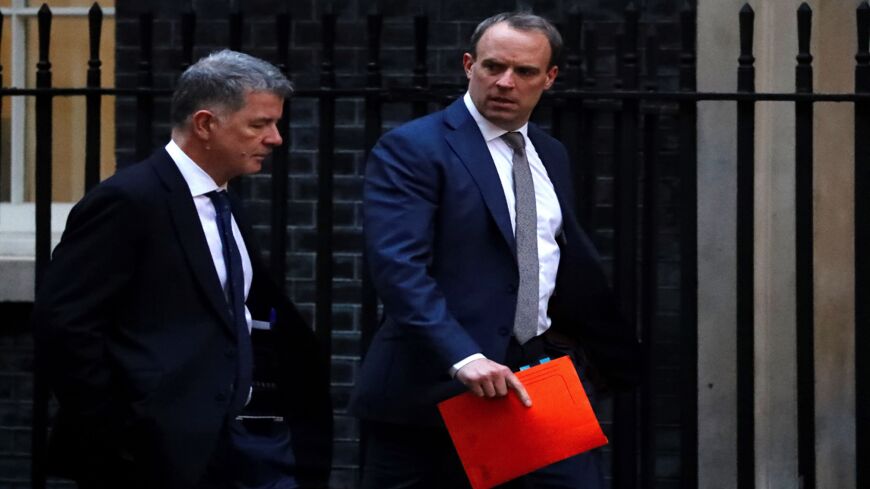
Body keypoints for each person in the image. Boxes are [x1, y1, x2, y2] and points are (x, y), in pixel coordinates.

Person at [350, 11, 640, 489]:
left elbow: (551, 255)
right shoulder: (414, 148)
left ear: (549, 78)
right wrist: (463, 357)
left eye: (524, 72)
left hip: (535, 381)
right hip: (435, 388)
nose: (505, 82)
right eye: (492, 67)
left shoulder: (551, 154)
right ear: (468, 65)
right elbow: (398, 268)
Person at [32, 50, 332, 489]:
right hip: (153, 454)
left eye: (275, 123)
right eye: (258, 124)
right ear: (206, 124)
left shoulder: (224, 201)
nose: (276, 139)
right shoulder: (128, 201)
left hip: (243, 445)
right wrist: (123, 431)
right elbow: (64, 325)